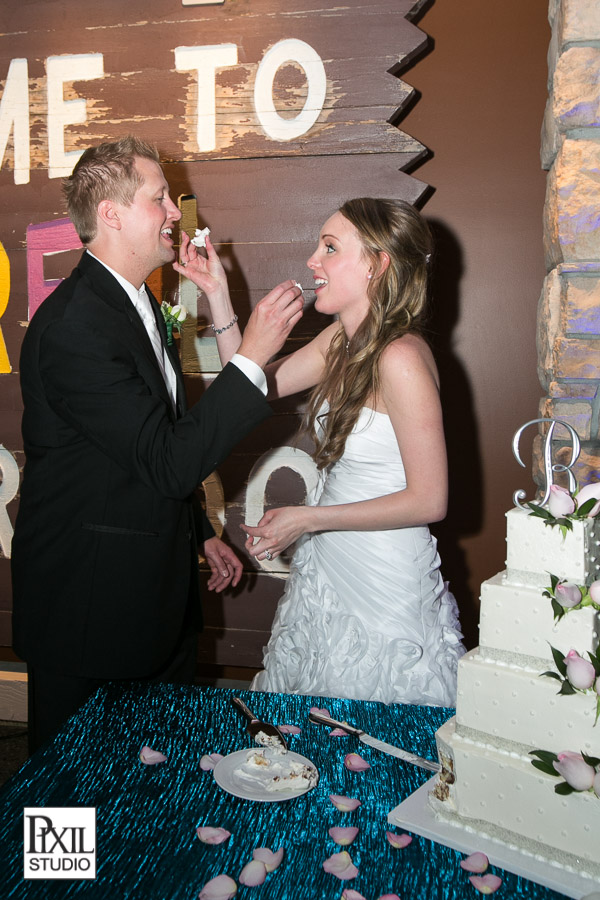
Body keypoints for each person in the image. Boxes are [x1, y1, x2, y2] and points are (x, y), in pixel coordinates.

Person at [11, 136, 303, 751]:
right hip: (89, 612)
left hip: (151, 602)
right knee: (68, 811)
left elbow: (143, 447)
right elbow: (170, 462)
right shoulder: (75, 328)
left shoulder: (137, 303)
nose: (175, 212)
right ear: (111, 215)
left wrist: (197, 532)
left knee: (144, 800)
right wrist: (252, 351)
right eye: (159, 199)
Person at [179, 197, 465, 706]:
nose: (313, 260)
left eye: (330, 248)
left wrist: (308, 518)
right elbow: (250, 387)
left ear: (377, 263)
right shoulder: (343, 340)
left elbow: (429, 501)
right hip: (330, 563)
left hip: (382, 578)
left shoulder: (400, 357)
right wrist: (218, 295)